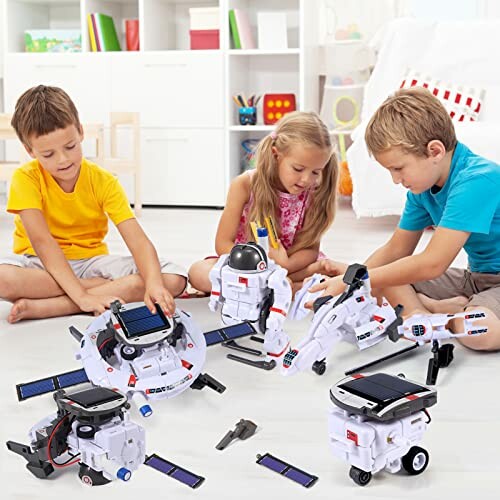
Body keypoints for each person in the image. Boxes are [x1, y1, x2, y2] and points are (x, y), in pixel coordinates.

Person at [311, 87, 500, 351]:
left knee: (479, 332)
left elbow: (434, 263)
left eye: (398, 168)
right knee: (384, 280)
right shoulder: (423, 189)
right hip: (475, 278)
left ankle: (433, 315)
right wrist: (352, 283)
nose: (395, 179)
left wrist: (362, 279)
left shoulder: (477, 179)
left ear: (435, 151)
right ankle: (427, 313)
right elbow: (396, 250)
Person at [0, 85, 187, 323]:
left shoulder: (104, 181)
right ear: (29, 150)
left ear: (80, 132)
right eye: (48, 154)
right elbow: (41, 242)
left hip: (92, 263)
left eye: (70, 147)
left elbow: (138, 241)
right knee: (2, 277)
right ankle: (94, 290)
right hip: (39, 263)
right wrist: (82, 294)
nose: (63, 160)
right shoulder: (25, 178)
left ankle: (53, 306)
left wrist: (153, 285)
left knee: (172, 278)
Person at [189, 111, 345, 294]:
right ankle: (283, 287)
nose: (305, 180)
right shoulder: (244, 185)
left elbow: (310, 249)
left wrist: (285, 264)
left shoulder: (314, 192)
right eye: (298, 168)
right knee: (198, 272)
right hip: (247, 266)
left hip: (293, 266)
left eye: (315, 172)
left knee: (323, 273)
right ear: (276, 154)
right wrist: (259, 266)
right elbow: (223, 243)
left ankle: (272, 287)